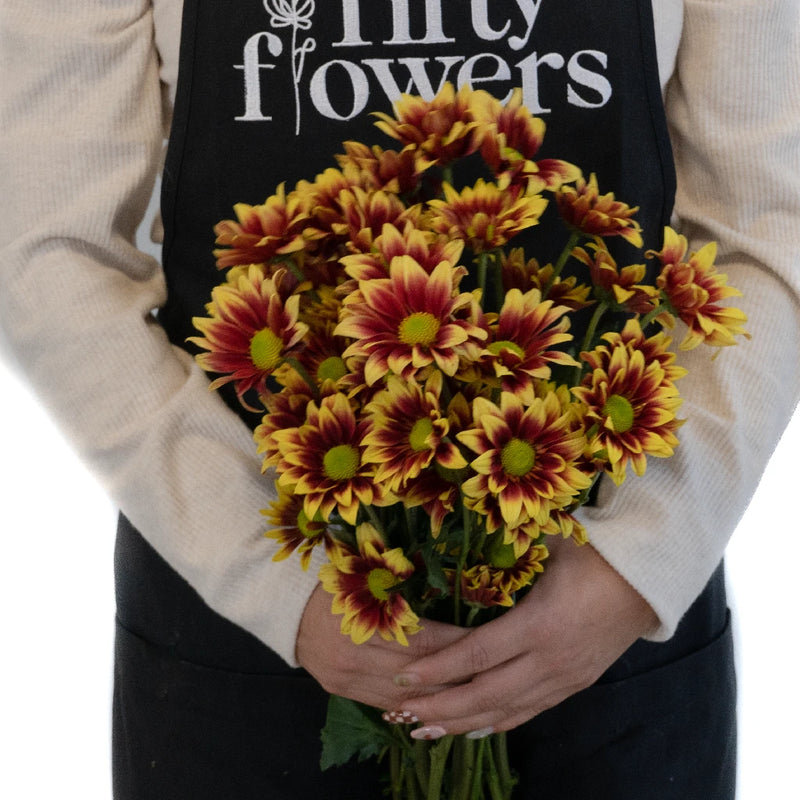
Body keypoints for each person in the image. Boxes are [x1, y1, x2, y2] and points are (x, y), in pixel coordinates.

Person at [1, 1, 798, 797]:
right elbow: (48, 255)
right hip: (241, 613)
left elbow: (768, 224)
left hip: (609, 618)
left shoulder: (626, 576)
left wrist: (638, 560)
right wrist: (272, 584)